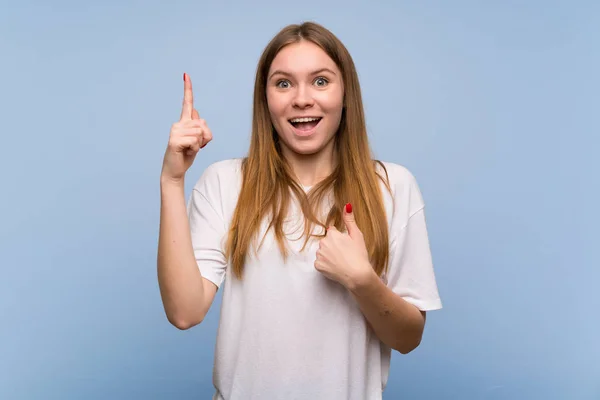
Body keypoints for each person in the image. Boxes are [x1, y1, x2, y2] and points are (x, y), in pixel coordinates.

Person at [157, 21, 442, 400]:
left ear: (346, 95)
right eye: (284, 83)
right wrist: (172, 182)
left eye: (321, 81)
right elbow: (184, 312)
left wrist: (363, 280)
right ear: (266, 99)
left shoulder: (393, 186)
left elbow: (408, 338)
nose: (302, 99)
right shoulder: (225, 182)